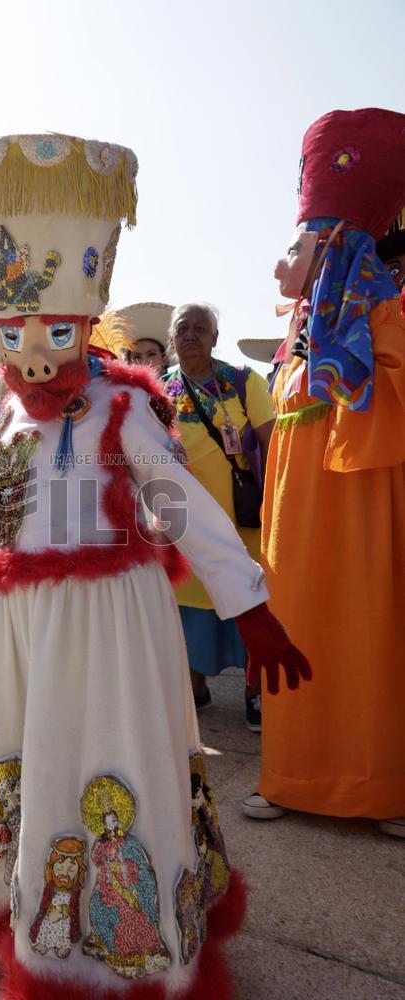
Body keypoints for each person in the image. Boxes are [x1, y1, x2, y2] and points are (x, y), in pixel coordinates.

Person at [0, 128, 310, 998]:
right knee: (20, 754)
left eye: (54, 330)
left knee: (110, 757)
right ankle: (16, 924)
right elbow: (7, 496)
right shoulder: (8, 418)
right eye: (15, 334)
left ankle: (126, 949)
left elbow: (178, 505)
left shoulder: (125, 406)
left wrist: (248, 601)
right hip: (25, 623)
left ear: (86, 321)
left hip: (114, 619)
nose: (36, 355)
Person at [241, 108, 405, 838]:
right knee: (297, 628)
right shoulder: (295, 345)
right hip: (294, 524)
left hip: (365, 505)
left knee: (371, 631)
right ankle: (292, 773)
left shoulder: (388, 319)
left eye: (296, 245)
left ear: (335, 245)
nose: (283, 265)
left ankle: (383, 784)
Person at [165, 303, 275, 730]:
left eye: (201, 328)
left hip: (242, 524)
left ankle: (257, 695)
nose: (191, 335)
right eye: (182, 329)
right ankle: (194, 692)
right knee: (186, 612)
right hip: (184, 527)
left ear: (215, 338)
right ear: (172, 339)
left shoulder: (243, 382)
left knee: (248, 601)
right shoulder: (158, 392)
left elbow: (274, 444)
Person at [117, 302, 174, 377]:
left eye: (151, 354)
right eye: (137, 357)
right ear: (129, 364)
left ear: (164, 360)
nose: (145, 362)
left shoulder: (182, 387)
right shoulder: (117, 389)